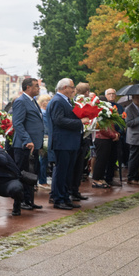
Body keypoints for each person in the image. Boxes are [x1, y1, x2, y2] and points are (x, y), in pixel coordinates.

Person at [47, 78, 90, 210]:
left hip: (70, 142)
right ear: (64, 87)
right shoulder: (57, 101)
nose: (74, 90)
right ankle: (59, 199)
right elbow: (58, 120)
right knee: (62, 172)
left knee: (67, 172)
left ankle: (65, 197)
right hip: (63, 143)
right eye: (72, 87)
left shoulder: (65, 101)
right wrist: (80, 122)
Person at [11, 78, 45, 211]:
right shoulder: (21, 101)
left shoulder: (32, 100)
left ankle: (29, 200)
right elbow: (17, 123)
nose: (38, 88)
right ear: (28, 87)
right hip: (24, 145)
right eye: (36, 86)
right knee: (23, 174)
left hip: (33, 145)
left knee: (32, 174)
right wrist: (27, 140)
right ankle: (21, 201)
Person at [69, 82, 92, 202]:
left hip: (83, 136)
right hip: (78, 137)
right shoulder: (77, 102)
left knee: (79, 166)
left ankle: (75, 190)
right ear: (87, 92)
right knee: (76, 166)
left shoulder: (78, 101)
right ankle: (73, 191)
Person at [103, 88, 125, 185]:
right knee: (105, 158)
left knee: (114, 158)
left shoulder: (120, 107)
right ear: (106, 95)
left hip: (117, 136)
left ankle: (110, 178)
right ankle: (103, 177)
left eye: (113, 94)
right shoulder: (103, 106)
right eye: (109, 94)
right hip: (106, 136)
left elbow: (123, 121)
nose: (111, 95)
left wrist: (119, 133)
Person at [36, 94, 53, 189]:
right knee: (43, 160)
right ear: (43, 102)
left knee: (44, 160)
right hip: (44, 138)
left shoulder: (47, 112)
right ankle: (42, 181)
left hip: (48, 137)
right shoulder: (42, 114)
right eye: (47, 101)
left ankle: (43, 180)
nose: (49, 102)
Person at [124, 94, 139, 184]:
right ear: (133, 98)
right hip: (134, 137)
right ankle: (131, 177)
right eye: (137, 98)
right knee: (134, 158)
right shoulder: (128, 109)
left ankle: (137, 176)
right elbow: (128, 123)